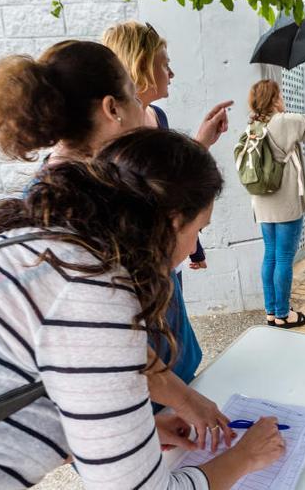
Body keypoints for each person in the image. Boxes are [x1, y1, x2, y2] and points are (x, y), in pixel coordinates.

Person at [0, 126, 287, 488]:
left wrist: (132, 433)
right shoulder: (92, 289)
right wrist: (244, 460)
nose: (194, 247)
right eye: (199, 229)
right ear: (173, 222)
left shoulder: (47, 243)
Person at [0, 40, 232, 447]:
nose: (144, 110)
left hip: (159, 383)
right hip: (131, 396)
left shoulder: (102, 181)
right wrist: (179, 400)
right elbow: (105, 340)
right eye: (135, 98)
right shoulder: (71, 210)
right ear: (112, 109)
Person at [102, 21, 230, 386]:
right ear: (140, 63)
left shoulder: (157, 117)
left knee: (180, 354)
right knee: (152, 359)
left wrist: (194, 247)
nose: (170, 72)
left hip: (168, 259)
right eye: (163, 62)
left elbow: (175, 191)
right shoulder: (111, 136)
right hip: (140, 267)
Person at [248, 77, 305, 328]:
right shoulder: (284, 122)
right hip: (285, 203)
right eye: (280, 95)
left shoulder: (253, 125)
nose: (283, 99)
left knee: (271, 256)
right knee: (284, 257)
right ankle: (284, 315)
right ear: (274, 99)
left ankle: (272, 312)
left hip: (262, 202)